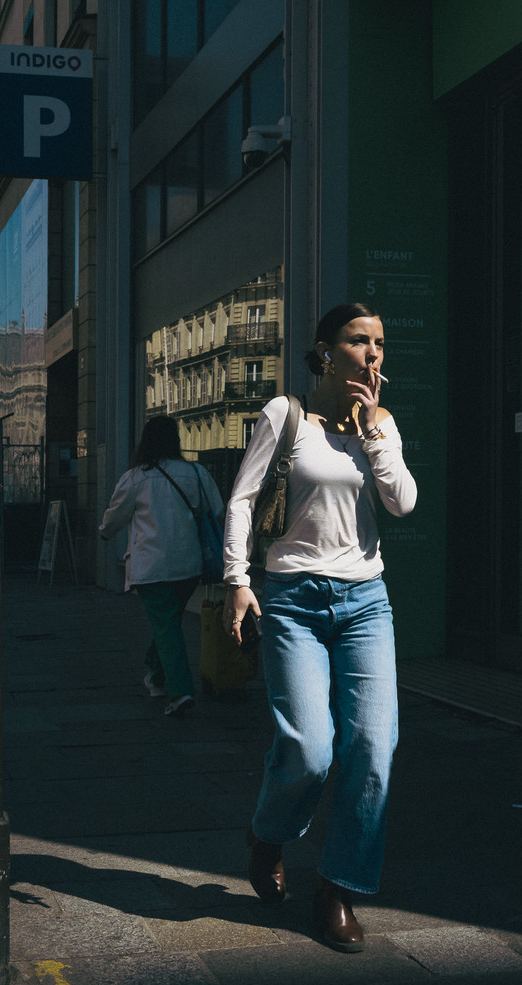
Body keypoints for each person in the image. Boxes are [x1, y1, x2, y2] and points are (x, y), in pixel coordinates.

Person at [221, 302, 417, 952]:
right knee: (309, 747)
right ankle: (269, 834)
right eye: (359, 341)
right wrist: (238, 580)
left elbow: (402, 501)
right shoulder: (287, 413)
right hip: (294, 599)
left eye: (380, 343)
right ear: (326, 351)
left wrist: (371, 431)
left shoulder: (379, 423)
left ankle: (338, 888)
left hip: (366, 603)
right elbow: (243, 497)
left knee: (374, 749)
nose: (373, 354)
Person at [99, 415, 224, 717]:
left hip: (152, 566)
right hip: (189, 564)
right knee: (169, 622)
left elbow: (115, 518)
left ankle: (180, 692)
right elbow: (217, 509)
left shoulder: (136, 477)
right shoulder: (195, 473)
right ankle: (156, 676)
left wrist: (104, 531)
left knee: (166, 625)